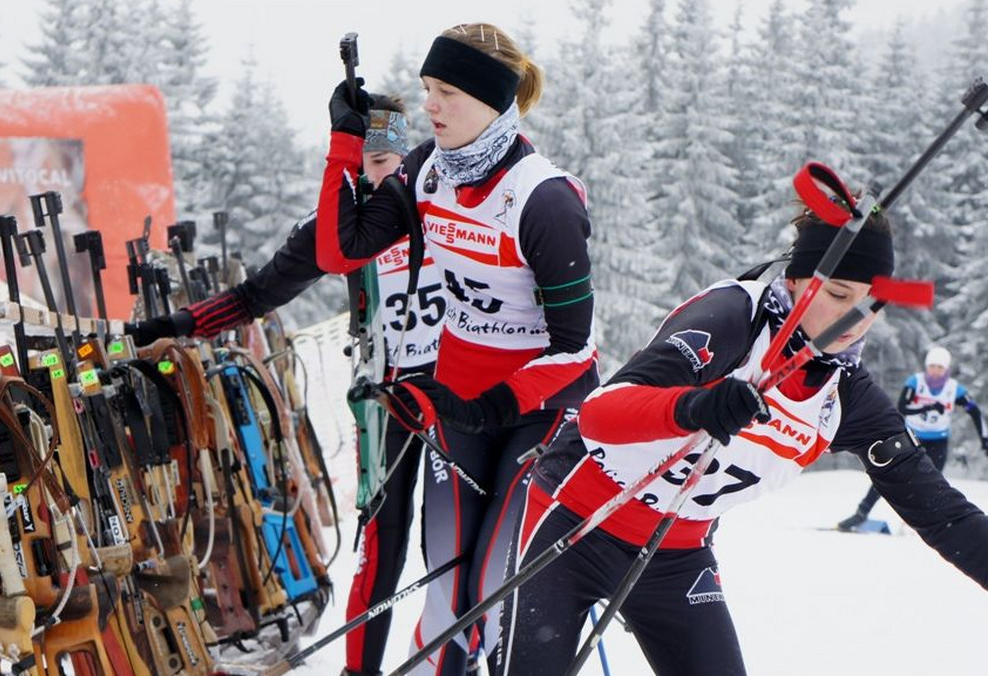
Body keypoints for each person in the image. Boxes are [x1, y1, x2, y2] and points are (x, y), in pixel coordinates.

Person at [494, 205, 988, 676]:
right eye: (838, 294)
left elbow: (942, 512)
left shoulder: (848, 399)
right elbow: (600, 413)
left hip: (674, 552)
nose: (854, 318)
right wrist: (694, 407)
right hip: (575, 520)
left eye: (871, 303)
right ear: (795, 282)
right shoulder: (733, 318)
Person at [123, 95, 446, 676]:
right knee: (383, 546)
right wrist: (180, 325)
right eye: (370, 161)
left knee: (446, 545)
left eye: (393, 161)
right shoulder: (336, 228)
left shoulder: (436, 206)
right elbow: (256, 296)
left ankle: (455, 657)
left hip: (454, 394)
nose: (384, 176)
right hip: (386, 397)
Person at [316, 23, 598, 676]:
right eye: (425, 90)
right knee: (446, 590)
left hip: (537, 413)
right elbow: (340, 250)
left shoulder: (543, 200)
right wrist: (344, 141)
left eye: (445, 91)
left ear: (491, 100)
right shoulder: (425, 172)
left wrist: (493, 408)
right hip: (461, 405)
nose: (430, 105)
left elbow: (574, 351)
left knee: (493, 594)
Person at [837, 345, 988, 531]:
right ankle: (861, 514)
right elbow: (903, 407)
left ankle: (928, 524)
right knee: (887, 474)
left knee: (932, 484)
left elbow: (974, 412)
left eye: (940, 367)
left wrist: (984, 438)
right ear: (927, 366)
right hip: (910, 437)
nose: (935, 371)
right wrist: (930, 407)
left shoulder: (954, 389)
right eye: (932, 366)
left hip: (939, 442)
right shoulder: (915, 382)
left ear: (946, 369)